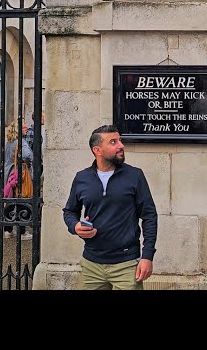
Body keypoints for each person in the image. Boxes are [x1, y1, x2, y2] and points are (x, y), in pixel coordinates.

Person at [63, 124, 158, 290]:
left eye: (120, 140)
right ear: (97, 150)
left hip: (127, 264)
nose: (121, 145)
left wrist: (147, 256)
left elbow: (149, 216)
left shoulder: (135, 176)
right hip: (91, 264)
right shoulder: (82, 178)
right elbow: (69, 212)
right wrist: (75, 226)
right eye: (113, 142)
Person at [3, 120, 33, 240]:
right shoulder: (21, 142)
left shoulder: (8, 142)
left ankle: (7, 230)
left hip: (8, 174)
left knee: (10, 201)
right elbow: (27, 155)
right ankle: (22, 232)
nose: (26, 129)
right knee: (22, 201)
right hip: (19, 174)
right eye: (23, 127)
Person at [24, 111, 44, 180]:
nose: (45, 118)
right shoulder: (31, 132)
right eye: (43, 116)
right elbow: (27, 150)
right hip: (32, 166)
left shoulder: (37, 131)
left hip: (37, 164)